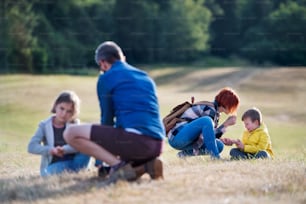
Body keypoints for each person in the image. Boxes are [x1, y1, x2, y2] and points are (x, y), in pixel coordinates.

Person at [64, 41, 165, 183]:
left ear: (103, 63)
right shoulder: (145, 77)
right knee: (129, 145)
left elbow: (107, 119)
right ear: (121, 57)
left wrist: (101, 160)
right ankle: (147, 164)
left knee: (70, 133)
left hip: (135, 141)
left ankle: (118, 166)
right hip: (157, 143)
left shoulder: (106, 78)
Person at [28, 91, 90, 177]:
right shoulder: (44, 125)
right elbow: (31, 147)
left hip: (76, 161)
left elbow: (79, 145)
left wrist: (64, 150)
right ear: (55, 105)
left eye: (69, 111)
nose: (64, 114)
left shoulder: (74, 123)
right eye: (62, 108)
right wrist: (51, 150)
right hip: (55, 164)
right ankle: (73, 173)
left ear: (73, 113)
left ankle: (77, 171)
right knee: (47, 174)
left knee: (88, 143)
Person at [167, 87, 240, 159]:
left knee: (219, 145)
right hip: (177, 137)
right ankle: (215, 157)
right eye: (233, 106)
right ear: (227, 104)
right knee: (206, 120)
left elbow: (209, 136)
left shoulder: (215, 112)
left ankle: (184, 154)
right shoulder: (210, 110)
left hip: (185, 139)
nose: (233, 109)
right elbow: (204, 137)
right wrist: (226, 124)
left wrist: (223, 138)